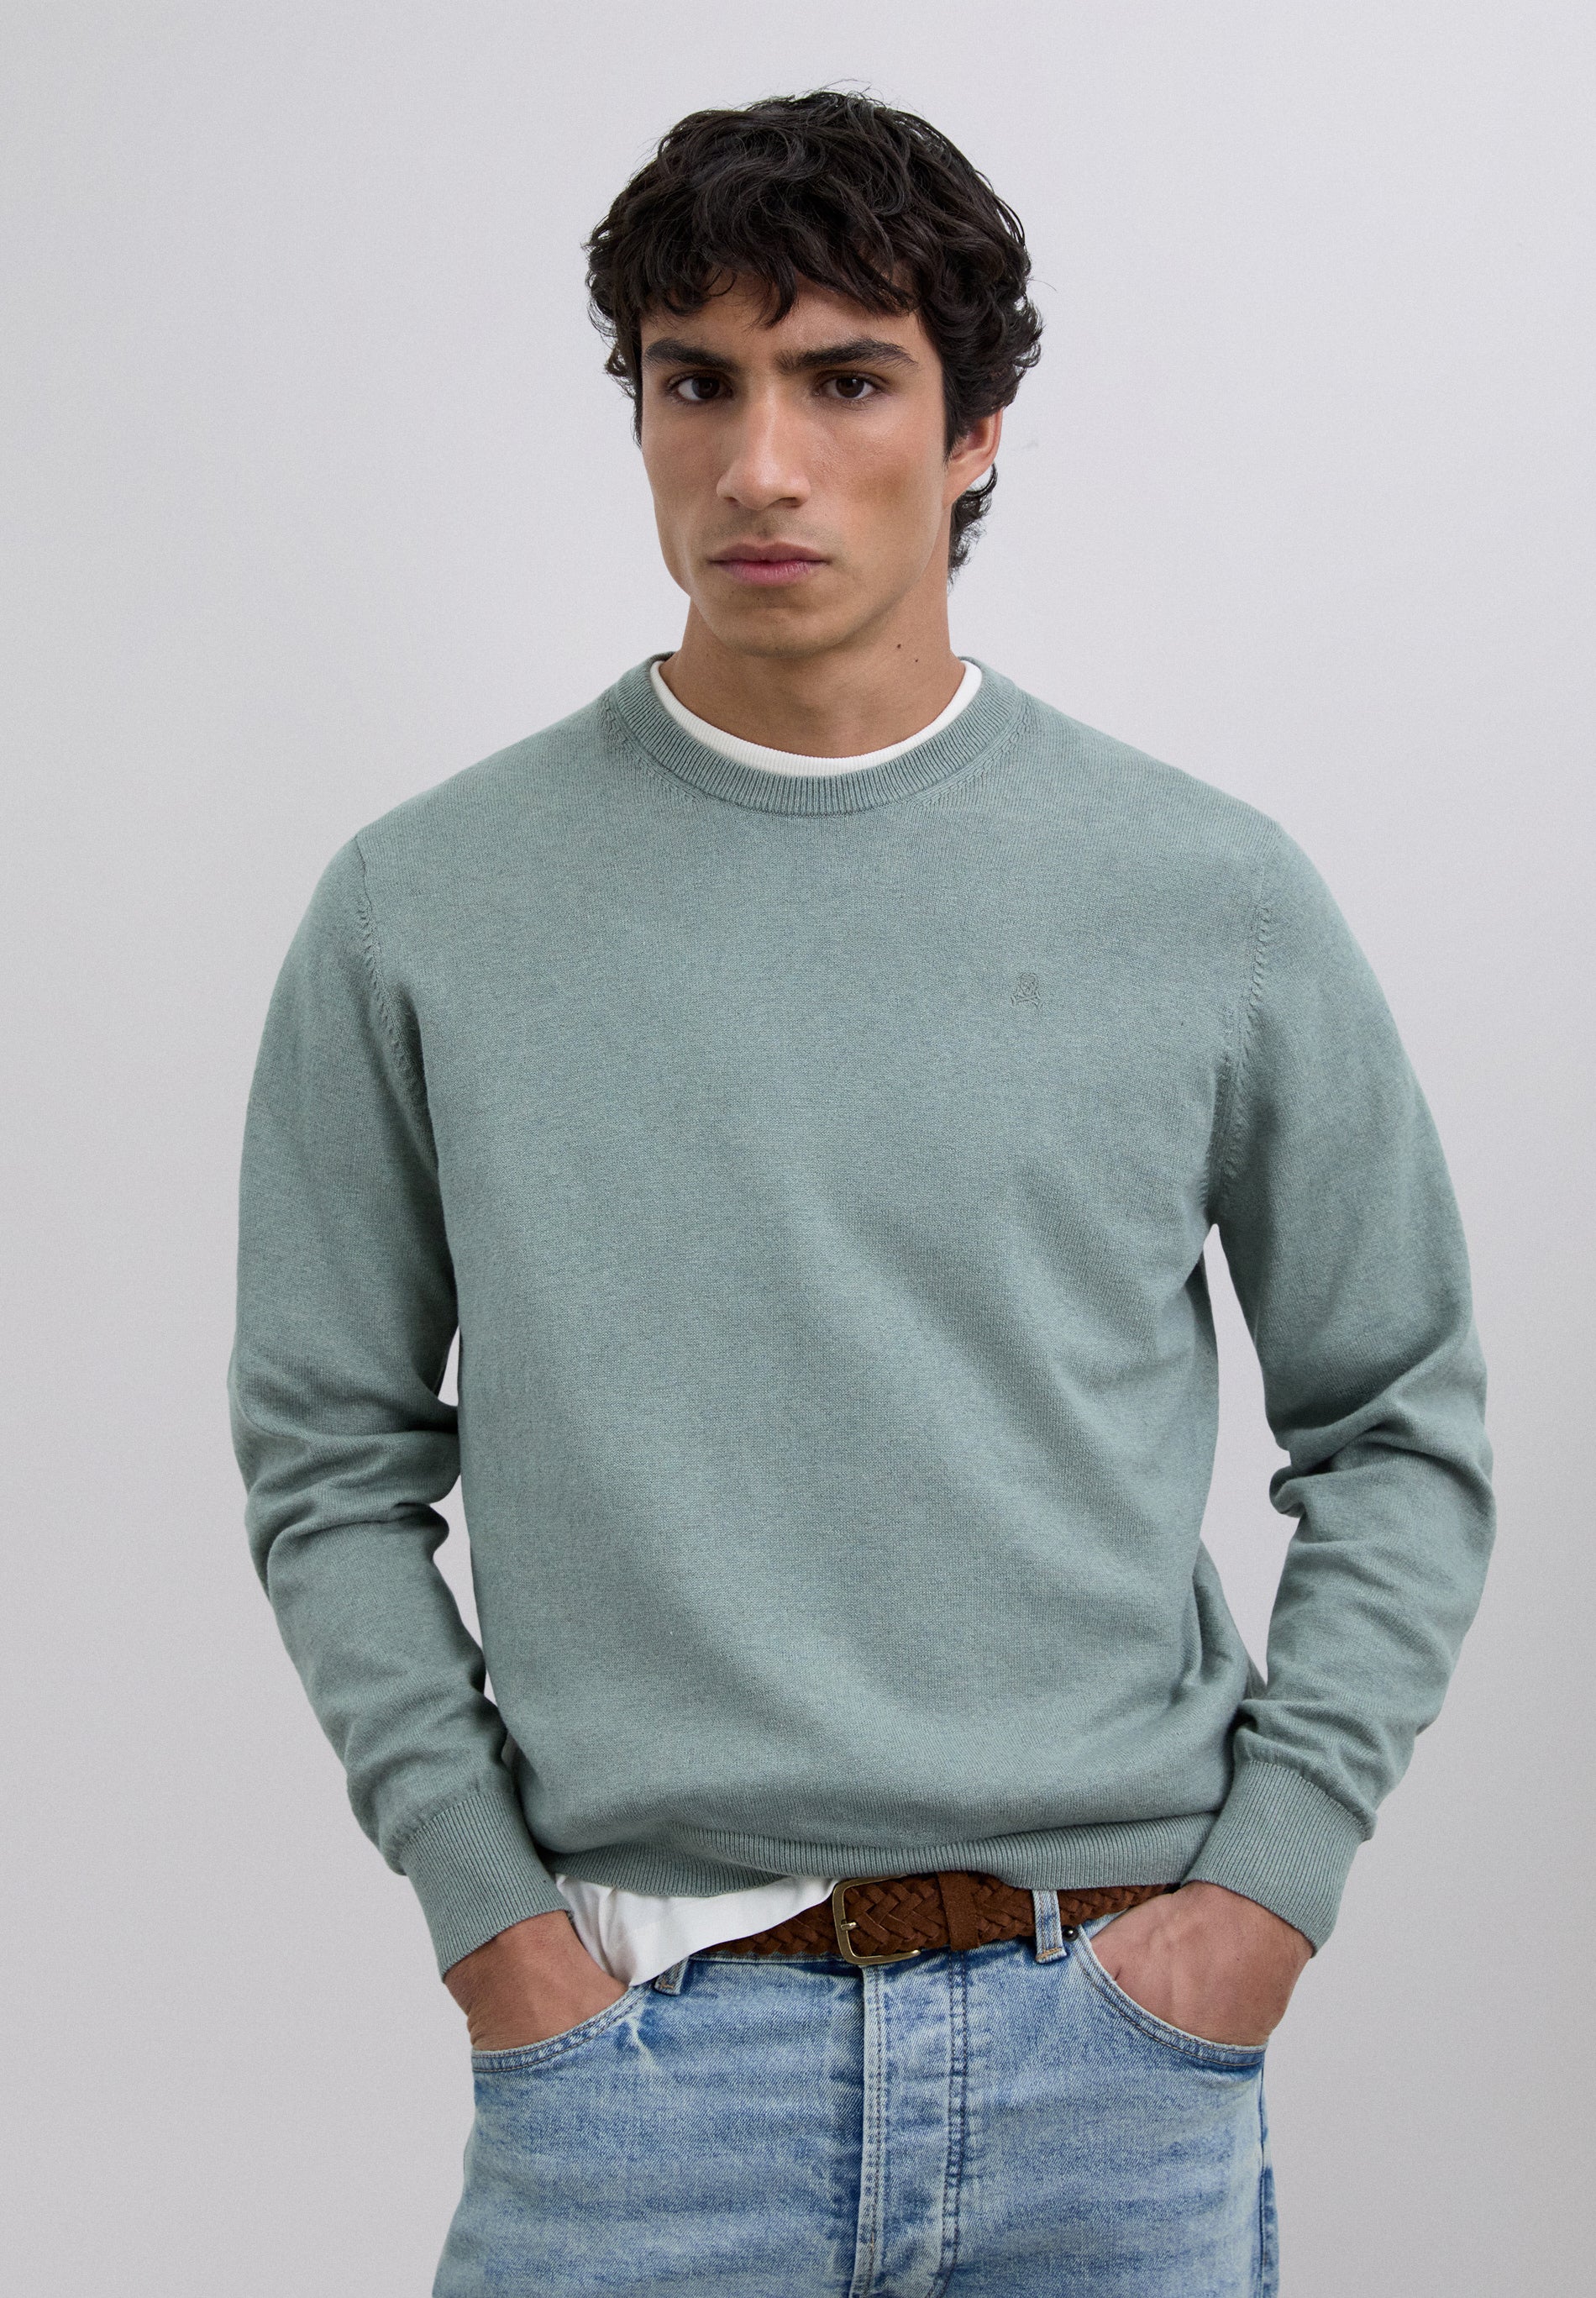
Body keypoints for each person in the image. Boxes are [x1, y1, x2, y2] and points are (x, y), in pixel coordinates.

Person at [229, 91, 1494, 2297]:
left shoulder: (1205, 899)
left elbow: (1398, 1420)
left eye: (843, 382)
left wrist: (1265, 1894)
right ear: (637, 412)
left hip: (1111, 2037)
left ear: (973, 428)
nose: (759, 466)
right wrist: (487, 1919)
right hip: (637, 2061)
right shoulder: (420, 912)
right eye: (693, 383)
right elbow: (329, 1454)